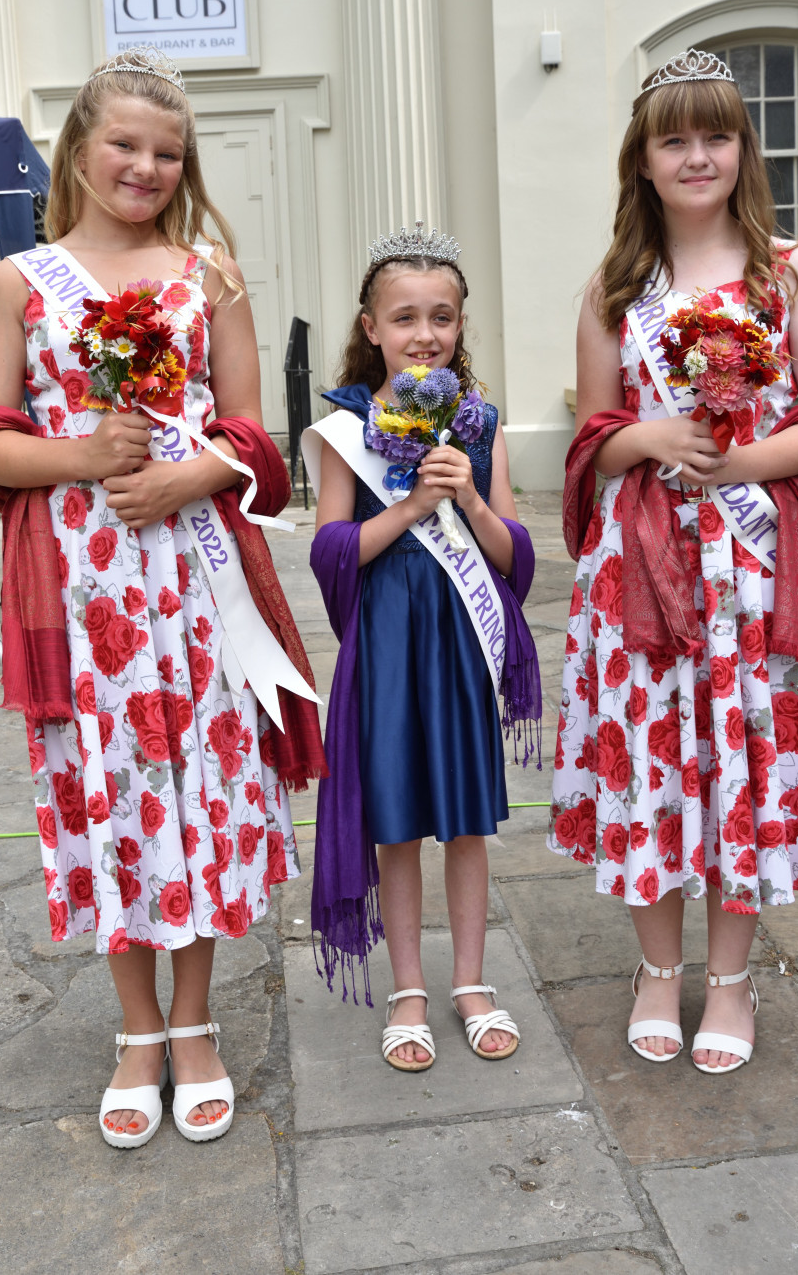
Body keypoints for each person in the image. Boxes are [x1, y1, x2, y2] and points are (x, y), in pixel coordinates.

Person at [0, 46, 325, 1146]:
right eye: (124, 143)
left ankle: (197, 1021)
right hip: (80, 587)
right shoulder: (22, 282)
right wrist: (82, 456)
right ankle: (135, 1031)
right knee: (112, 791)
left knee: (197, 788)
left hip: (194, 575)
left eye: (168, 152)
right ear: (79, 146)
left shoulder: (208, 273)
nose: (146, 166)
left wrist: (188, 473)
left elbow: (256, 434)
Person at [551, 49, 798, 1074]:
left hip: (756, 570)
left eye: (714, 134)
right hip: (641, 569)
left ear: (741, 147)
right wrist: (649, 442)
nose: (696, 155)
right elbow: (593, 432)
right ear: (640, 158)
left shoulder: (790, 270)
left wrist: (736, 460)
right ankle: (654, 969)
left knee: (743, 764)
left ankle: (728, 979)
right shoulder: (614, 286)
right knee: (651, 761)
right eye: (673, 137)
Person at [304, 223, 541, 1070]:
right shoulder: (346, 427)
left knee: (467, 821)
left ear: (461, 324)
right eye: (404, 316)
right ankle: (409, 985)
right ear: (372, 326)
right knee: (397, 821)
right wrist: (404, 510)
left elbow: (515, 557)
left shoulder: (481, 424)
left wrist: (470, 500)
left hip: (459, 635)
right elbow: (331, 548)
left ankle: (470, 980)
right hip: (390, 641)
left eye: (442, 316)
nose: (425, 333)